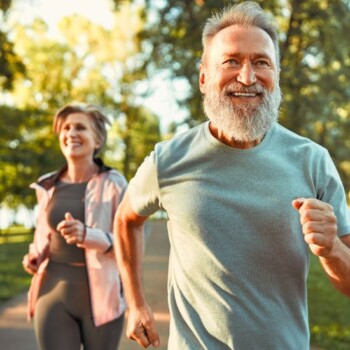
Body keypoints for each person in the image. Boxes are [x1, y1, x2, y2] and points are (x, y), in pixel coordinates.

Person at [113, 2, 350, 349]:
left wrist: (330, 250)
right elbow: (126, 220)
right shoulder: (169, 159)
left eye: (261, 62)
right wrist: (135, 304)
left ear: (277, 76)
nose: (247, 77)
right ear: (204, 77)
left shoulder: (312, 161)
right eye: (231, 61)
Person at [22, 103, 127, 350]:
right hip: (52, 293)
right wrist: (35, 256)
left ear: (98, 138)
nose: (71, 133)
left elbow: (129, 245)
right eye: (65, 128)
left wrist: (87, 235)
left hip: (102, 300)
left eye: (80, 127)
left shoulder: (115, 183)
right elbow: (43, 238)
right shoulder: (47, 186)